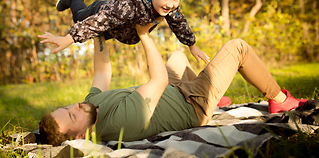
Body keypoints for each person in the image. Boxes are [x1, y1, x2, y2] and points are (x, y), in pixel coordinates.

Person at [38, 22, 308, 146]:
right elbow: (159, 79)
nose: (76, 105)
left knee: (178, 56)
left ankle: (217, 97)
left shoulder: (89, 107)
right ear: (79, 137)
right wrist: (143, 33)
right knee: (237, 48)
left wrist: (93, 28)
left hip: (176, 92)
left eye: (67, 106)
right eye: (72, 114)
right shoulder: (119, 124)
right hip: (192, 105)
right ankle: (280, 100)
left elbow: (102, 70)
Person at [42, 0, 210, 63]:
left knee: (101, 34)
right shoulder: (129, 6)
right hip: (101, 14)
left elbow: (179, 22)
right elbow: (100, 21)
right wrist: (68, 38)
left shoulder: (169, 6)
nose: (171, 4)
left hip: (119, 29)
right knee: (79, 18)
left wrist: (192, 46)